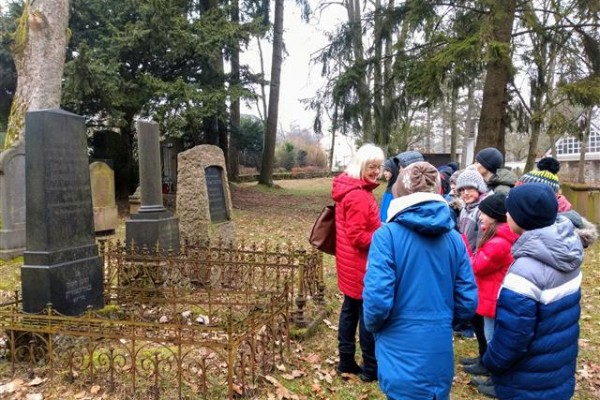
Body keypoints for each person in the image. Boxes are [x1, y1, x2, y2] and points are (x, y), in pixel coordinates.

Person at [363, 161, 478, 400]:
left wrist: (376, 327)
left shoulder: (386, 236)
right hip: (439, 344)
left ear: (399, 192)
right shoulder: (455, 239)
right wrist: (443, 320)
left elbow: (376, 300)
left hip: (398, 340)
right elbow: (467, 299)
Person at [481, 183, 584, 399]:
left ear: (522, 218)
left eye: (510, 210)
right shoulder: (567, 250)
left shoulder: (526, 270)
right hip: (557, 367)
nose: (506, 214)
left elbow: (513, 334)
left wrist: (491, 360)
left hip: (527, 379)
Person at [331, 143, 384, 382]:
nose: (376, 171)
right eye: (372, 166)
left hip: (349, 261)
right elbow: (359, 237)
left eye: (379, 166)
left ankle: (346, 361)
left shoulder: (351, 188)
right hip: (360, 264)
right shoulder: (359, 195)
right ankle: (371, 368)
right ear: (361, 165)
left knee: (350, 310)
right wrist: (385, 234)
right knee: (366, 315)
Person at [462, 193, 519, 395]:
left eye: (484, 213)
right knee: (490, 338)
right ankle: (491, 372)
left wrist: (463, 247)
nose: (480, 217)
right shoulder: (497, 235)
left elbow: (476, 266)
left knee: (493, 340)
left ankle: (500, 382)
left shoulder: (499, 242)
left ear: (495, 216)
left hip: (493, 298)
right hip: (489, 295)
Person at [456, 169, 489, 253]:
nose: (465, 193)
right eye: (462, 190)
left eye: (470, 188)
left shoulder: (483, 210)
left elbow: (482, 241)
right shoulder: (464, 209)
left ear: (479, 188)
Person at [379, 158, 400, 222]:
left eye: (387, 171)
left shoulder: (396, 190)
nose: (384, 173)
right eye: (384, 171)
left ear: (394, 171)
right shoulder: (389, 186)